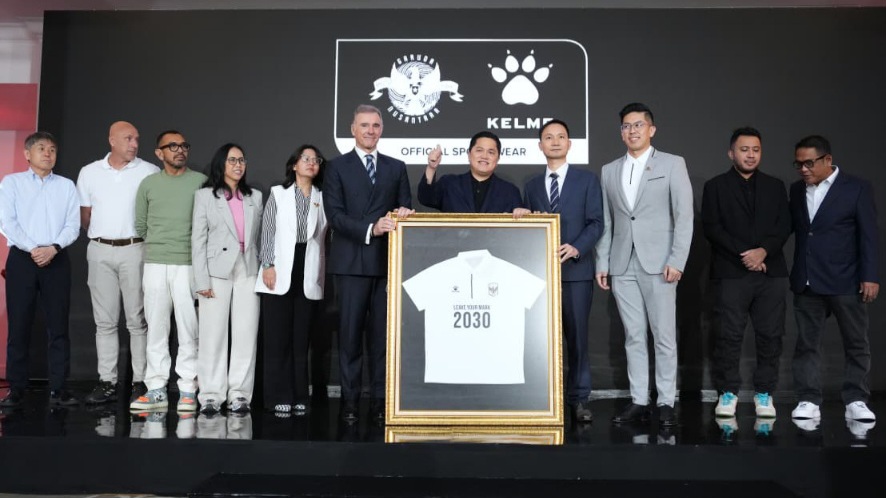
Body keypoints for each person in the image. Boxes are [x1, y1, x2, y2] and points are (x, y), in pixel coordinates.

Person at [594, 103, 693, 427]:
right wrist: (603, 261)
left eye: (638, 125)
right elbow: (608, 222)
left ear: (651, 129)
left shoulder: (672, 164)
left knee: (663, 337)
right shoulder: (609, 170)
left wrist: (677, 259)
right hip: (622, 263)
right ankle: (639, 400)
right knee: (633, 336)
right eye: (626, 126)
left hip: (660, 263)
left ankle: (665, 402)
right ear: (621, 132)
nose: (632, 131)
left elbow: (684, 216)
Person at [323, 104, 413, 422]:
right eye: (364, 125)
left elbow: (404, 207)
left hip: (387, 264)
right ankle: (349, 401)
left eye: (375, 125)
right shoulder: (336, 167)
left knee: (382, 340)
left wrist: (404, 214)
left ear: (382, 129)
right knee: (349, 338)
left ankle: (379, 401)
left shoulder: (396, 167)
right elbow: (335, 216)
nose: (370, 131)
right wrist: (371, 228)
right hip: (350, 264)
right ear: (353, 129)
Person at [788, 135, 879, 423]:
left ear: (828, 160)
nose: (803, 169)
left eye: (809, 163)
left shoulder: (857, 188)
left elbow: (868, 235)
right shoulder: (796, 190)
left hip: (846, 280)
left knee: (856, 342)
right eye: (798, 164)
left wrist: (870, 276)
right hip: (807, 281)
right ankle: (808, 399)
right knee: (807, 344)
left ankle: (856, 399)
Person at [701, 127, 790, 419]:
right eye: (744, 150)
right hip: (731, 272)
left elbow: (784, 225)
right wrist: (747, 255)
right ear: (731, 153)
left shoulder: (776, 186)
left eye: (756, 150)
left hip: (771, 272)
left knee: (771, 336)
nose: (750, 155)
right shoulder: (715, 186)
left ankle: (765, 393)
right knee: (728, 336)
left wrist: (763, 252)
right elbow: (712, 228)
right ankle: (728, 393)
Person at [518, 119, 603, 423]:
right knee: (539, 339)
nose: (555, 141)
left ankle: (579, 399)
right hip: (540, 274)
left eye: (561, 137)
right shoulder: (530, 186)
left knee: (577, 339)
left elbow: (597, 222)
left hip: (576, 273)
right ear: (540, 145)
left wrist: (577, 247)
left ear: (569, 144)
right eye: (548, 137)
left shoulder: (587, 180)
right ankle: (544, 399)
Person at [77, 121, 159, 405]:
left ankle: (140, 381)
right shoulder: (89, 172)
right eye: (128, 138)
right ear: (112, 140)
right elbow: (85, 216)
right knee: (105, 322)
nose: (134, 144)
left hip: (136, 249)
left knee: (137, 320)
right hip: (100, 249)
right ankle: (107, 382)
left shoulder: (149, 171)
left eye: (136, 139)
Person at [0, 131, 80, 407]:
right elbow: (7, 222)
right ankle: (16, 389)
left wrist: (53, 248)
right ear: (27, 154)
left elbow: (73, 225)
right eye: (42, 148)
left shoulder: (67, 186)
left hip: (56, 258)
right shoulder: (12, 183)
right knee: (19, 325)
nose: (48, 153)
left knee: (58, 326)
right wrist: (34, 248)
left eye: (53, 149)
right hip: (22, 259)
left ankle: (59, 389)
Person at [129, 130, 207, 412]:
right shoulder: (149, 184)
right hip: (155, 263)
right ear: (159, 153)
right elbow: (140, 224)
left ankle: (188, 390)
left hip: (188, 264)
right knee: (156, 329)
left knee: (189, 329)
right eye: (172, 146)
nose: (180, 150)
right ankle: (156, 389)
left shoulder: (201, 182)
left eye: (184, 145)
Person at [255, 145, 327, 415]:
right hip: (279, 268)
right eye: (305, 159)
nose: (311, 163)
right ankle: (277, 395)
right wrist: (267, 264)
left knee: (300, 339)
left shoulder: (323, 197)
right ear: (294, 165)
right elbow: (268, 230)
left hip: (308, 271)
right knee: (277, 338)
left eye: (315, 160)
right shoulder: (278, 193)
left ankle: (299, 396)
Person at [192, 143, 263, 415]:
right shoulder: (205, 197)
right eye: (232, 160)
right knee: (212, 334)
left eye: (241, 160)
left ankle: (240, 394)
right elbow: (198, 240)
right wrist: (201, 281)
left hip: (248, 269)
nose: (238, 165)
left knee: (246, 334)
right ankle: (210, 395)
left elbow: (260, 237)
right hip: (216, 271)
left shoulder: (255, 196)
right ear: (221, 163)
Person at [419, 131, 522, 213]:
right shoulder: (450, 184)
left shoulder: (510, 192)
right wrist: (431, 167)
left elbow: (519, 224)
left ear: (498, 158)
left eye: (491, 152)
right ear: (469, 154)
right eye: (479, 150)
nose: (484, 156)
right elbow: (426, 198)